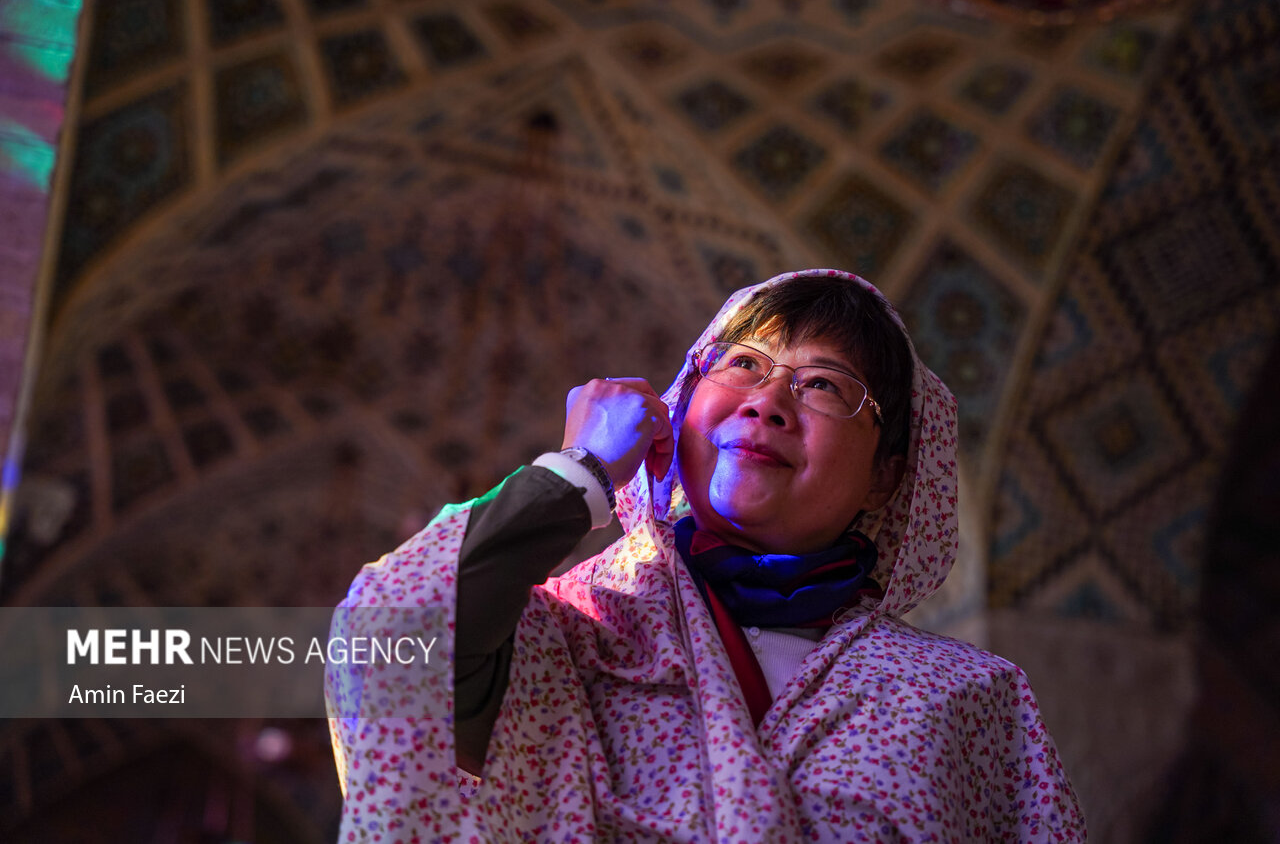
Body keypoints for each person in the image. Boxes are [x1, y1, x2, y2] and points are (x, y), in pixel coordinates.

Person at [326, 269, 1085, 842]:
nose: (768, 401)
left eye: (824, 385)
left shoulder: (963, 699)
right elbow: (388, 640)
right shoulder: (571, 632)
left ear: (889, 476)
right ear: (681, 406)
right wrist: (578, 471)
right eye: (744, 364)